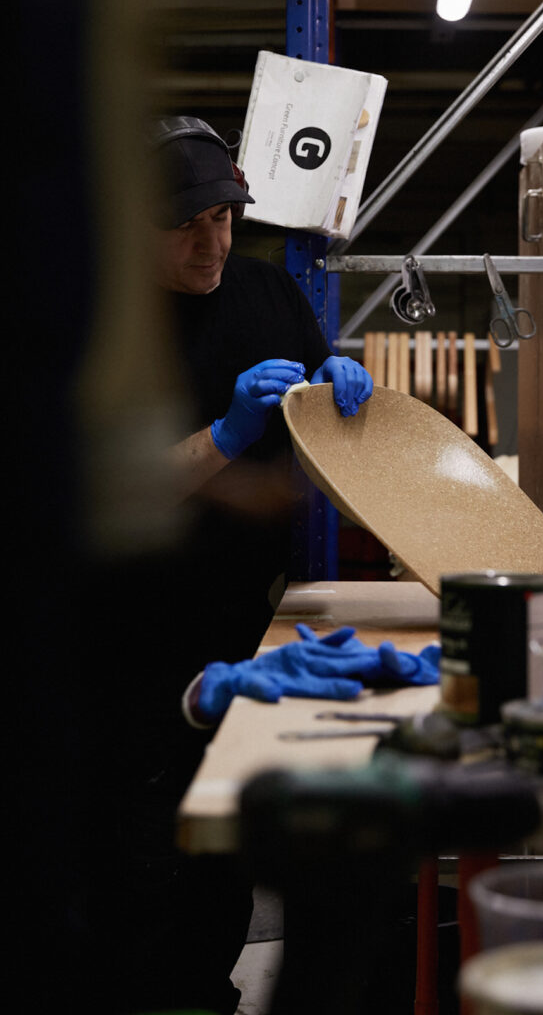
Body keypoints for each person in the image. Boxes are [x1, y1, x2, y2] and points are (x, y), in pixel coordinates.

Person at [99, 114, 373, 1015]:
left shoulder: (265, 294)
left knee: (224, 853)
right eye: (186, 225)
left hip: (245, 628)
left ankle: (210, 992)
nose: (212, 242)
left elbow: (325, 432)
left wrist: (343, 401)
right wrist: (224, 437)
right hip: (125, 640)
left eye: (225, 218)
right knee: (143, 855)